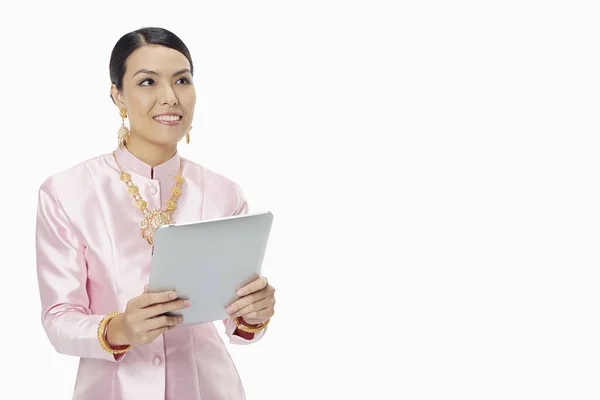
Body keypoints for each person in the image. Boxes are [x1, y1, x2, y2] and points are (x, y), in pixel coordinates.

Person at [35, 27, 276, 400]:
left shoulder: (223, 193)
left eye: (182, 80)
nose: (170, 97)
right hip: (112, 389)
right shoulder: (68, 192)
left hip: (208, 388)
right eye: (147, 82)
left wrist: (254, 311)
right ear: (118, 95)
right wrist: (121, 329)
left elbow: (237, 319)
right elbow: (58, 319)